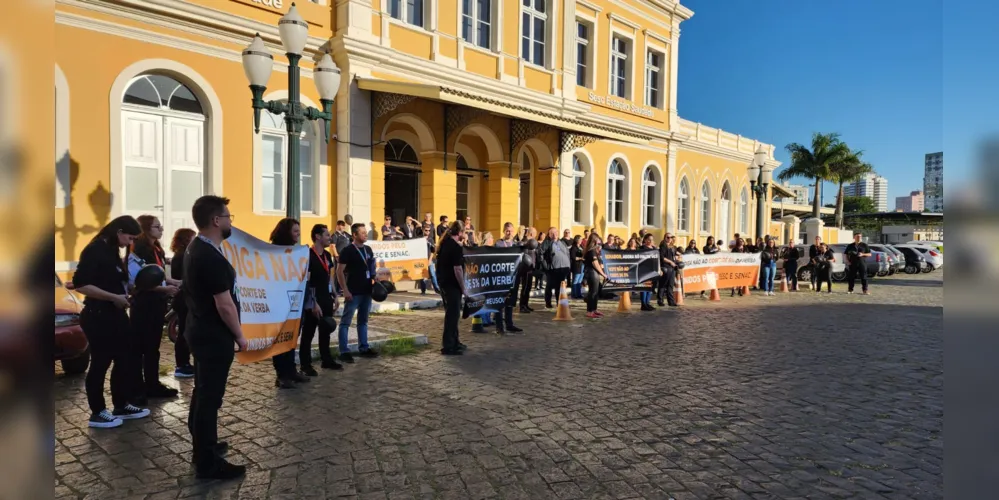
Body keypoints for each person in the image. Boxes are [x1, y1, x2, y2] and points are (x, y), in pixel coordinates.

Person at [183, 195, 247, 479]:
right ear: (215, 220)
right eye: (228, 215)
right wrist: (241, 336)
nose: (231, 220)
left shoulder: (196, 247)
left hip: (199, 329)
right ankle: (206, 461)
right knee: (210, 396)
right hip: (212, 335)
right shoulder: (207, 255)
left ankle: (203, 442)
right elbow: (224, 304)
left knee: (203, 391)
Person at [73, 216, 150, 429]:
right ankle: (97, 412)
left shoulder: (113, 250)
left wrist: (126, 295)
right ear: (119, 231)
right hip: (98, 315)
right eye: (129, 237)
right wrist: (113, 297)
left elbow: (115, 282)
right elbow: (81, 284)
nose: (130, 242)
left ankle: (121, 404)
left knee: (125, 359)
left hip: (116, 314)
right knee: (100, 362)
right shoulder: (95, 250)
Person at [126, 215, 180, 402]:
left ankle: (152, 382)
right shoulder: (138, 251)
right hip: (144, 305)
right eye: (157, 226)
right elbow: (138, 282)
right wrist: (165, 288)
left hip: (157, 303)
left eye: (161, 226)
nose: (161, 229)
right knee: (143, 347)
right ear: (145, 229)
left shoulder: (156, 248)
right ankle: (141, 386)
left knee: (153, 347)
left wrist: (173, 282)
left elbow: (158, 275)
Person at [268, 219, 311, 389]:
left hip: (295, 303)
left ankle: (291, 370)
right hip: (279, 304)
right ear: (286, 232)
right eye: (295, 231)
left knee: (292, 337)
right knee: (280, 340)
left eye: (299, 231)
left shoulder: (296, 252)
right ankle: (281, 375)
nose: (298, 235)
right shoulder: (273, 252)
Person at [300, 224, 343, 376]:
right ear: (317, 236)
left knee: (326, 330)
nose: (329, 238)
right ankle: (305, 365)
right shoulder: (308, 255)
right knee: (309, 333)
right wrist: (313, 302)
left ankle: (326, 360)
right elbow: (307, 281)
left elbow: (329, 276)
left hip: (326, 298)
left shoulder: (326, 255)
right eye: (326, 235)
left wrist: (336, 296)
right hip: (313, 300)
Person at [336, 223, 381, 362]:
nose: (365, 234)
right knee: (345, 322)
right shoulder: (347, 250)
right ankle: (344, 351)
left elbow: (371, 266)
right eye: (362, 233)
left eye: (365, 232)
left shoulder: (368, 249)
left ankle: (364, 348)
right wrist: (345, 290)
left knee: (363, 321)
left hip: (367, 291)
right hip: (353, 292)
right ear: (354, 235)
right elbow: (339, 271)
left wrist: (375, 276)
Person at [436, 221, 471, 354]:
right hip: (451, 285)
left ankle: (455, 341)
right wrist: (463, 288)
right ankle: (449, 345)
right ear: (460, 232)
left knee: (453, 314)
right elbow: (457, 269)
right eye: (464, 232)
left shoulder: (446, 243)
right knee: (452, 315)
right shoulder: (455, 247)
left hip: (444, 283)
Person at [170, 228, 196, 378]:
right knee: (184, 333)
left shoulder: (182, 255)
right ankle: (182, 364)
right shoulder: (182, 256)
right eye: (193, 237)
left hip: (184, 299)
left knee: (185, 332)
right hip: (184, 299)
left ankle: (184, 363)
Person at [492, 223, 523, 334]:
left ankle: (509, 324)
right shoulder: (499, 244)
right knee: (500, 302)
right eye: (507, 231)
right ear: (503, 231)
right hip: (501, 277)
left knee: (510, 301)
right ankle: (499, 327)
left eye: (511, 231)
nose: (509, 233)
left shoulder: (516, 245)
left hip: (513, 277)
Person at [541, 227, 571, 309]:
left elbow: (567, 253)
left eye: (556, 232)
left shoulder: (562, 242)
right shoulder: (547, 243)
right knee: (549, 286)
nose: (555, 235)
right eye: (552, 233)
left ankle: (559, 303)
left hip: (563, 269)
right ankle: (548, 303)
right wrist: (545, 266)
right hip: (552, 269)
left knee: (559, 287)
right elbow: (540, 254)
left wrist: (568, 265)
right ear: (549, 234)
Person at [583, 233, 608, 319]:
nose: (599, 241)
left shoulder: (593, 250)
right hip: (591, 273)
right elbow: (595, 264)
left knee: (595, 292)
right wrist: (603, 274)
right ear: (594, 240)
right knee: (593, 292)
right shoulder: (591, 251)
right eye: (598, 239)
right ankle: (590, 311)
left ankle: (594, 309)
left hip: (594, 273)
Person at [657, 234, 679, 307]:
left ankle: (671, 301)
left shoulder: (672, 247)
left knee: (670, 285)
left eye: (671, 237)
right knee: (663, 284)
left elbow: (675, 255)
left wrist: (678, 257)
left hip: (672, 268)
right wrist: (671, 262)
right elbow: (662, 257)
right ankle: (660, 300)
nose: (669, 239)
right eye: (668, 237)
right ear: (665, 238)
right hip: (666, 267)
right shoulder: (663, 246)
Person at [639, 234, 657, 311]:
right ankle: (643, 304)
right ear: (645, 240)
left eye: (651, 239)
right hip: (643, 270)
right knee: (644, 287)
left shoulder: (654, 248)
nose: (650, 241)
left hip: (652, 270)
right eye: (649, 239)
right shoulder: (642, 248)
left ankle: (647, 302)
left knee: (650, 287)